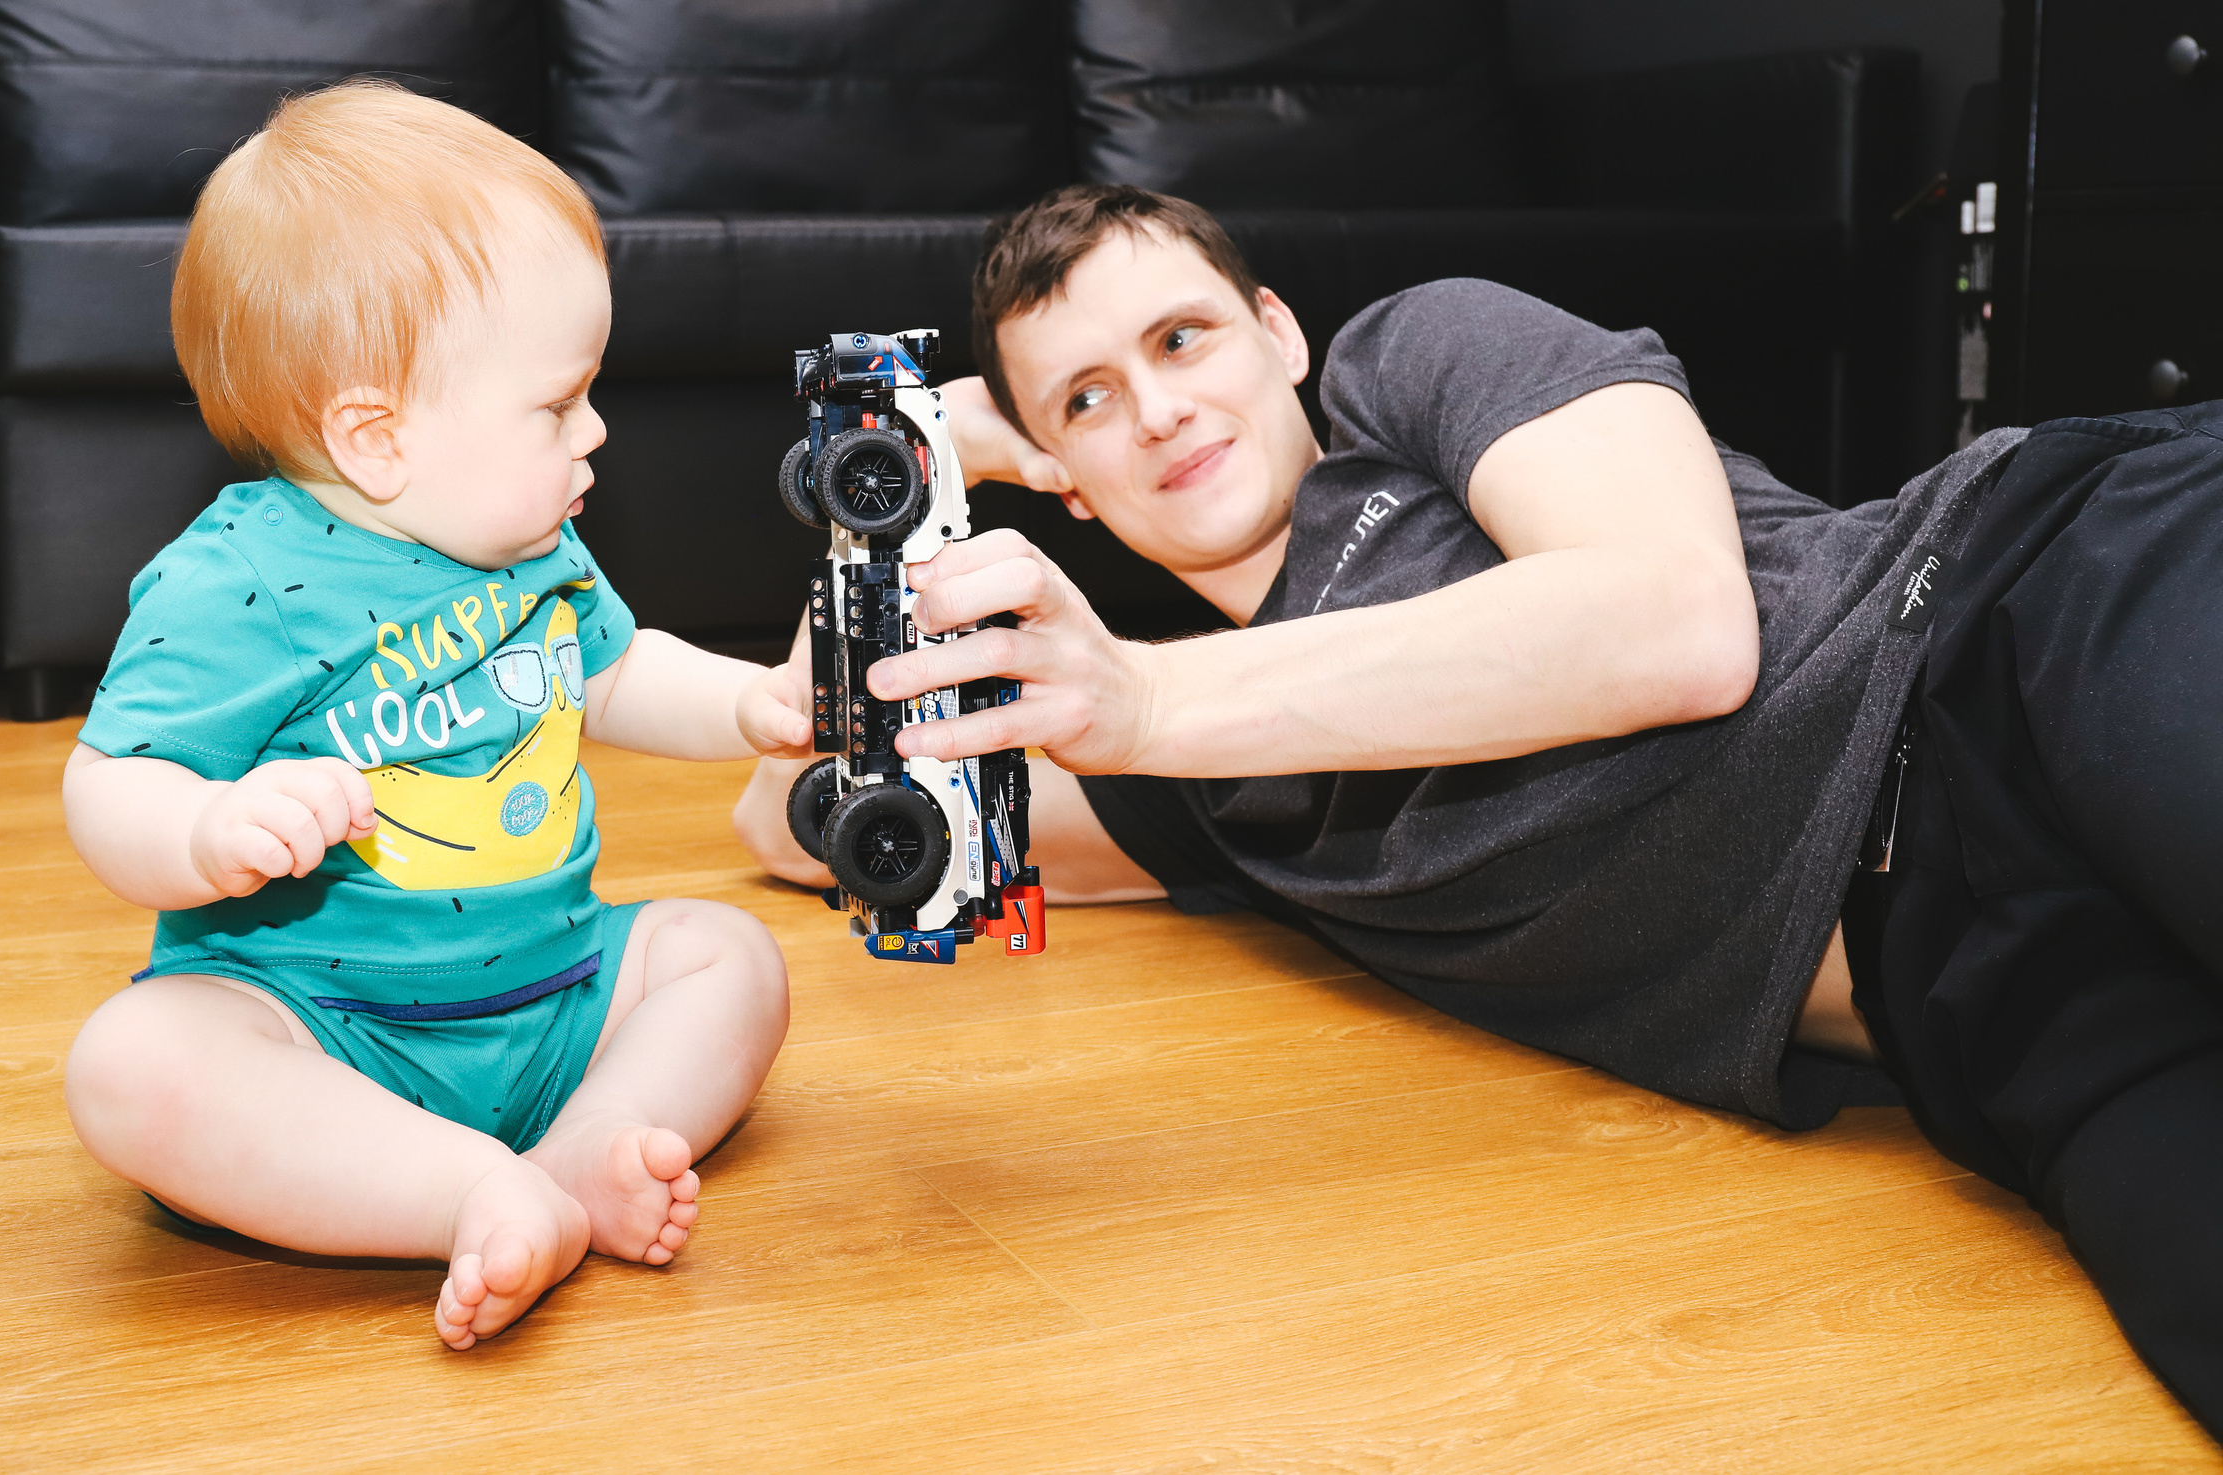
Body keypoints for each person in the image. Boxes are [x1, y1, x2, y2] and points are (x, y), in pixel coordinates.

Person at [735, 183, 2223, 1432]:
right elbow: (789, 805)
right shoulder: (1198, 781)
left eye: (1182, 336)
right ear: (1065, 476)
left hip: (2019, 631)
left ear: (1277, 333)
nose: (1160, 409)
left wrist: (1141, 701)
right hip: (1977, 994)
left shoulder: (1412, 360)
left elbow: (1676, 627)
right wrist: (915, 488)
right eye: (1089, 400)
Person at [63, 82, 812, 1350]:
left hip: (560, 996)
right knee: (133, 1064)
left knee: (728, 958)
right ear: (376, 437)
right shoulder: (238, 583)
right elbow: (106, 785)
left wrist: (754, 701)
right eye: (557, 402)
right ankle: (455, 1190)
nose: (596, 428)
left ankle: (581, 1151)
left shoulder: (533, 546)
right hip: (323, 1033)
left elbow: (614, 676)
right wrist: (208, 829)